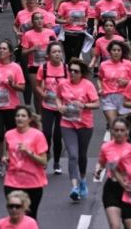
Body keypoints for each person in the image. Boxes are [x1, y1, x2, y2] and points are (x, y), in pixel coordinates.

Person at [56, 58, 100, 202]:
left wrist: (84, 105)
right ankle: (74, 187)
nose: (72, 73)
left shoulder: (87, 85)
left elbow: (97, 104)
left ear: (81, 73)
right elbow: (58, 97)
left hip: (85, 125)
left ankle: (82, 180)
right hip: (67, 124)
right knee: (73, 155)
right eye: (71, 71)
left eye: (76, 71)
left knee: (82, 155)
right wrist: (59, 106)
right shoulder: (63, 84)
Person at [0, 39, 26, 176]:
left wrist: (12, 84)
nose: (1, 51)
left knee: (10, 136)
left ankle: (9, 160)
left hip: (11, 106)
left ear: (10, 53)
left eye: (4, 49)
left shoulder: (16, 68)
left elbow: (22, 87)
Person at [2, 107, 48, 219]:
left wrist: (29, 152)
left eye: (23, 116)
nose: (19, 118)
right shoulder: (9, 134)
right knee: (15, 216)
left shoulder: (37, 135)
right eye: (17, 116)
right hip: (12, 182)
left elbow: (44, 162)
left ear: (29, 119)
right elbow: (8, 153)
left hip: (32, 182)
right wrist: (5, 159)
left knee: (30, 217)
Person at [94, 117, 131, 229]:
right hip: (112, 188)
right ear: (111, 131)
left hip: (128, 188)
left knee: (128, 225)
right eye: (116, 130)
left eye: (122, 130)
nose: (119, 133)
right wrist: (98, 170)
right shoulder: (106, 147)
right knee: (114, 226)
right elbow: (101, 162)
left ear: (127, 131)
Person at [34, 42, 67, 174]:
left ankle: (57, 162)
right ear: (48, 55)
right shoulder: (44, 68)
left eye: (59, 51)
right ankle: (45, 157)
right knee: (46, 134)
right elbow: (37, 85)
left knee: (57, 136)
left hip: (61, 108)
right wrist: (43, 94)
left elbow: (71, 85)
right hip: (47, 106)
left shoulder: (66, 68)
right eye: (54, 52)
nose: (57, 54)